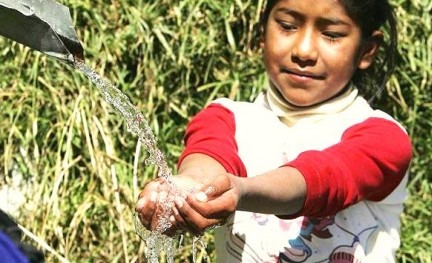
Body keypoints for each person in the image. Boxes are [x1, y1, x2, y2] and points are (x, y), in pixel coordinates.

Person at [136, 0, 412, 262]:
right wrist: (187, 190)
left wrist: (241, 191)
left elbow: (325, 178)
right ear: (262, 33)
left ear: (367, 51)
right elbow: (207, 161)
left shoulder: (384, 139)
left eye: (331, 34)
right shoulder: (226, 118)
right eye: (287, 26)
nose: (304, 51)